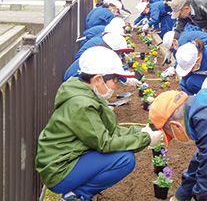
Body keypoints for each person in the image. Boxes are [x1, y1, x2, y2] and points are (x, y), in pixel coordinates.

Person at [35, 46, 163, 201]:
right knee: (125, 160)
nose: (116, 86)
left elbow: (111, 131)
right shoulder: (82, 104)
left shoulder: (85, 93)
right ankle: (76, 196)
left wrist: (143, 131)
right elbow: (105, 143)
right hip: (59, 171)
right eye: (114, 81)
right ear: (97, 79)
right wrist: (145, 139)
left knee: (123, 156)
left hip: (67, 159)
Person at [64, 33, 139, 89]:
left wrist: (128, 75)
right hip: (74, 81)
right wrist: (127, 80)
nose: (120, 57)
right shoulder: (103, 56)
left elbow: (117, 67)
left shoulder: (103, 51)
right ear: (111, 49)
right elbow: (113, 68)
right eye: (119, 53)